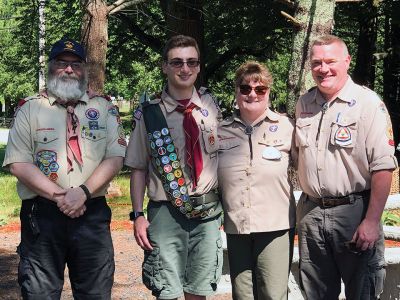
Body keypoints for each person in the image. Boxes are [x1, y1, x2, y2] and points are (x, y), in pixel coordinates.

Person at [2, 38, 126, 299]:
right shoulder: (30, 109)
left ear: (84, 70)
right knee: (39, 293)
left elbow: (115, 157)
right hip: (43, 216)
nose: (69, 69)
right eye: (62, 63)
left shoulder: (103, 108)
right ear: (51, 67)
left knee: (95, 292)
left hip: (91, 212)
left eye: (75, 64)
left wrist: (82, 193)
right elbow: (19, 163)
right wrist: (61, 196)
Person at [295, 34, 398, 300]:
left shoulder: (368, 104)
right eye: (317, 63)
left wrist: (372, 221)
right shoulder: (304, 104)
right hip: (312, 213)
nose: (323, 69)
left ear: (347, 61)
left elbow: (383, 167)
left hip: (354, 213)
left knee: (362, 293)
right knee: (316, 294)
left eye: (330, 61)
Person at [125, 35, 223, 300]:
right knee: (167, 292)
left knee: (199, 290)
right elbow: (138, 168)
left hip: (208, 214)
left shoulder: (212, 107)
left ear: (199, 66)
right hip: (166, 213)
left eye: (192, 62)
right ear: (165, 66)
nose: (185, 68)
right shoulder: (150, 113)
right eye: (177, 62)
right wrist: (137, 215)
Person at [218, 61, 296, 300]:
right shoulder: (219, 130)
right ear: (236, 92)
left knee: (272, 294)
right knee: (242, 295)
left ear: (268, 93)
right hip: (236, 224)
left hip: (275, 226)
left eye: (259, 89)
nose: (252, 94)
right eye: (245, 89)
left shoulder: (287, 127)